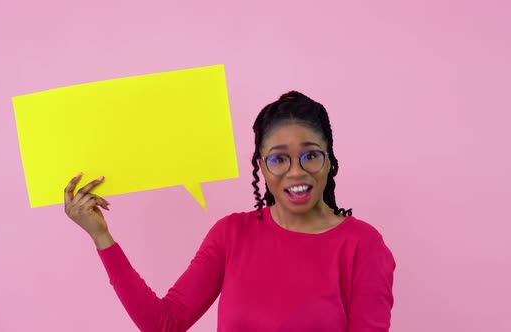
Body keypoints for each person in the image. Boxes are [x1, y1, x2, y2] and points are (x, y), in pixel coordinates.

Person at [64, 91, 396, 331]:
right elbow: (165, 323)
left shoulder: (363, 245)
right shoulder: (231, 235)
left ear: (329, 160)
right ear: (262, 168)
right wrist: (101, 235)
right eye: (279, 159)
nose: (297, 172)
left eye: (310, 155)